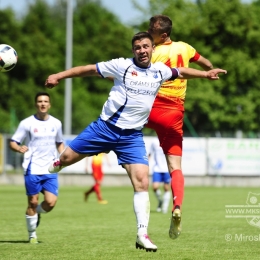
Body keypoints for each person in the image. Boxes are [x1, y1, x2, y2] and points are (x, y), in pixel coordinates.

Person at [45, 31, 226, 252]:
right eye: (138, 47)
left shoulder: (160, 70)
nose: (142, 50)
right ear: (133, 50)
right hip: (104, 129)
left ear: (152, 49)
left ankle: (142, 234)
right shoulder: (121, 66)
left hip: (131, 137)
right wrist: (59, 75)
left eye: (146, 46)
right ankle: (54, 165)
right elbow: (90, 69)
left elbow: (181, 72)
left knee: (142, 182)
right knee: (65, 159)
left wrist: (206, 75)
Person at [146, 14, 215, 240]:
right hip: (175, 112)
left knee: (118, 129)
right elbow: (206, 63)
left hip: (152, 107)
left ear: (163, 35)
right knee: (175, 166)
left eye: (151, 30)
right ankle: (177, 206)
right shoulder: (185, 48)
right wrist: (209, 71)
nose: (148, 33)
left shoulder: (151, 52)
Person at [9, 92, 65, 244]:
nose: (43, 104)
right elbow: (13, 141)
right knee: (32, 202)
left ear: (49, 104)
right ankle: (32, 234)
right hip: (32, 168)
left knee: (51, 202)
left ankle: (36, 214)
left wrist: (63, 158)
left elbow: (60, 142)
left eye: (45, 101)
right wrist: (18, 148)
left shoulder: (56, 123)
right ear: (36, 104)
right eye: (40, 101)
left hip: (50, 168)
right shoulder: (26, 123)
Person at [148, 138, 171, 214]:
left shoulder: (168, 139)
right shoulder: (154, 141)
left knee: (166, 188)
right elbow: (150, 154)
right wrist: (147, 165)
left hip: (167, 169)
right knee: (154, 187)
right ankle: (160, 201)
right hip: (157, 168)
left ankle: (165, 207)